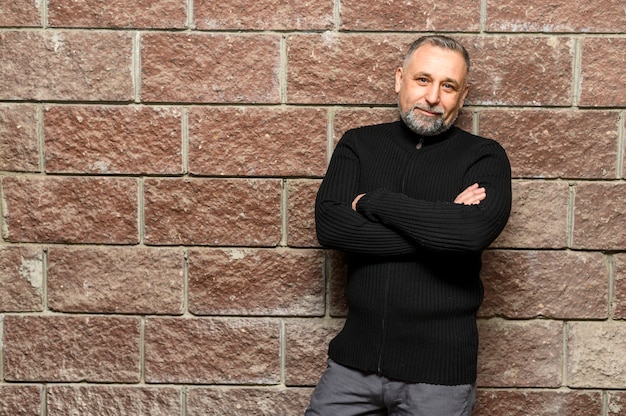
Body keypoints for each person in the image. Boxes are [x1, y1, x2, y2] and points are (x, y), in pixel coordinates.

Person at [305, 35, 512, 416]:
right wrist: (440, 224)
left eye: (448, 86)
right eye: (423, 80)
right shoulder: (358, 145)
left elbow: (470, 233)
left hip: (438, 378)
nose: (433, 97)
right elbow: (331, 226)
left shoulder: (484, 156)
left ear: (462, 96)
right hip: (352, 367)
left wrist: (372, 201)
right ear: (399, 79)